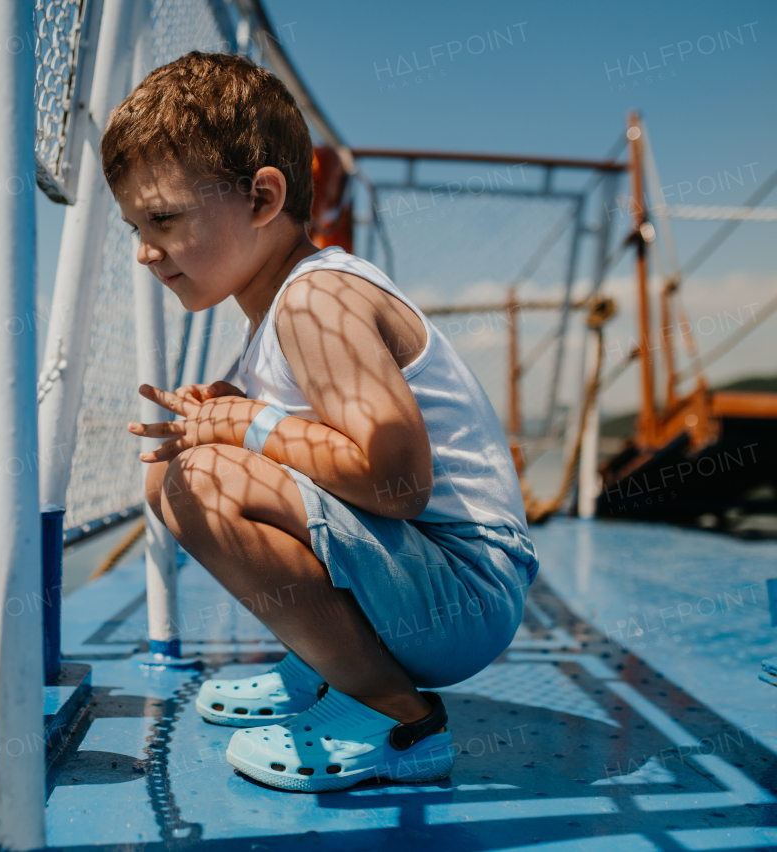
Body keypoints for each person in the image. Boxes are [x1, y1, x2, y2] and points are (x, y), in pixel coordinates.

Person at [101, 52, 539, 793]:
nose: (145, 251)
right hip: (427, 582)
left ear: (263, 199)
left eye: (165, 218)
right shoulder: (275, 312)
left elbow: (397, 482)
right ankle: (328, 668)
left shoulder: (316, 303)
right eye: (135, 225)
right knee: (173, 475)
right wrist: (227, 413)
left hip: (466, 588)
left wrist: (247, 427)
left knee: (201, 479)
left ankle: (395, 716)